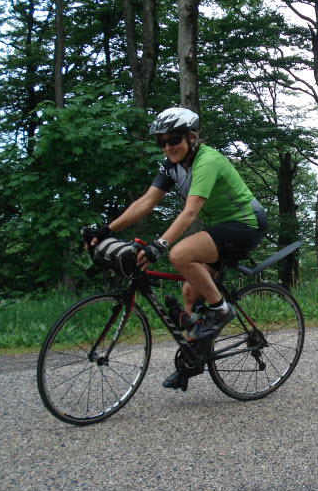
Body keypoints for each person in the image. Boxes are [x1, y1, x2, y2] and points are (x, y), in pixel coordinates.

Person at [87, 107, 267, 389]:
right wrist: (108, 229)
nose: (168, 147)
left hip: (246, 225)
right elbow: (145, 203)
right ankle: (194, 358)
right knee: (189, 291)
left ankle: (221, 310)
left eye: (174, 140)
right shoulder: (171, 166)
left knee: (179, 254)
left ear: (192, 138)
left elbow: (190, 212)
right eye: (162, 142)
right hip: (220, 226)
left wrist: (161, 244)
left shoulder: (207, 160)